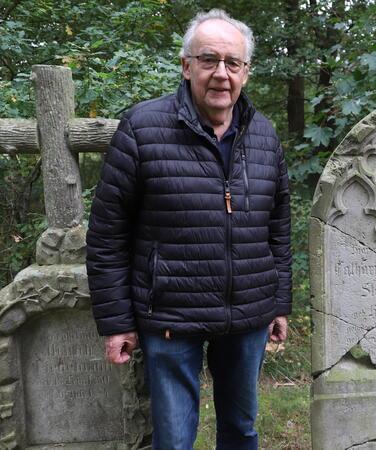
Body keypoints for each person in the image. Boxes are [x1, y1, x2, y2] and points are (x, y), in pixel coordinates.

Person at [86, 9, 291, 450]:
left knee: (241, 431)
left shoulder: (264, 135)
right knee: (174, 440)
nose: (221, 73)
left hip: (247, 314)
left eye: (232, 63)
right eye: (208, 59)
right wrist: (117, 322)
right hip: (170, 316)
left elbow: (278, 228)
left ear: (246, 72)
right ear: (186, 66)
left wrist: (278, 303)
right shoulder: (142, 129)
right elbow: (107, 235)